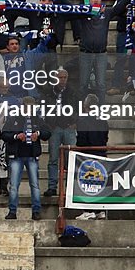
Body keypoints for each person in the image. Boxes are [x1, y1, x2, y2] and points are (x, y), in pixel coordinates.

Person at [1, 96, 51, 220]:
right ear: (22, 106)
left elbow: (47, 133)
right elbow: (3, 134)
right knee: (14, 186)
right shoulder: (13, 118)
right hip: (16, 156)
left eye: (31, 107)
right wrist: (16, 136)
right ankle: (12, 211)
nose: (29, 109)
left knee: (34, 185)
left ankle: (36, 211)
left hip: (32, 156)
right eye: (27, 106)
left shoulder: (38, 120)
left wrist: (38, 134)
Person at [42, 69, 78, 197]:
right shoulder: (49, 92)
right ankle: (52, 187)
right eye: (60, 77)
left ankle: (70, 188)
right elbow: (44, 108)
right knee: (53, 159)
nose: (62, 80)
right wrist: (48, 124)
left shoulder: (73, 91)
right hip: (55, 128)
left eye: (64, 77)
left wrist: (75, 122)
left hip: (69, 127)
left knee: (71, 159)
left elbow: (78, 107)